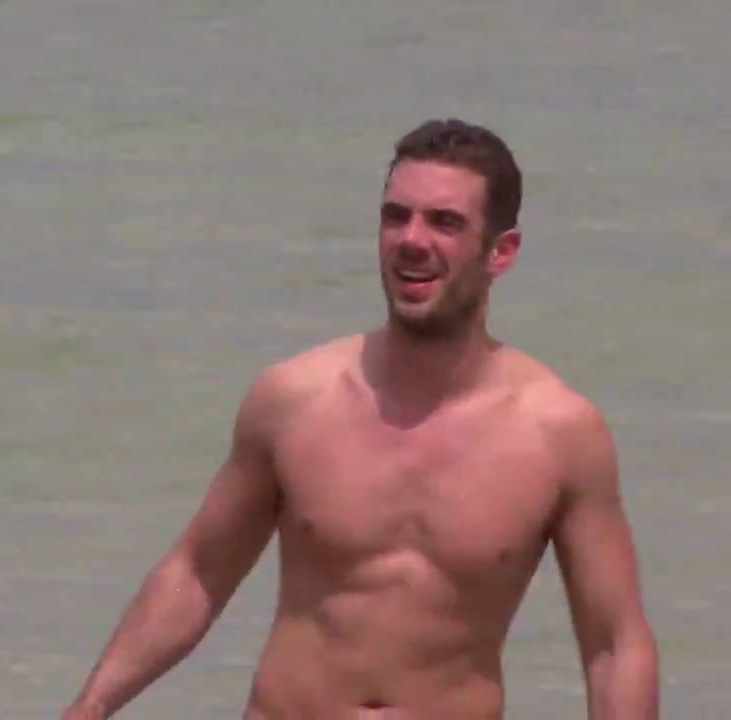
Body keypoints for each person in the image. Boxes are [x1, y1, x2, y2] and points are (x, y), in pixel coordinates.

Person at [61, 119, 659, 719]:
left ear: (500, 252)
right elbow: (197, 575)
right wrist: (88, 709)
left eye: (444, 222)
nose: (411, 240)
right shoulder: (295, 399)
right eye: (396, 216)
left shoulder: (558, 434)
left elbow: (614, 646)